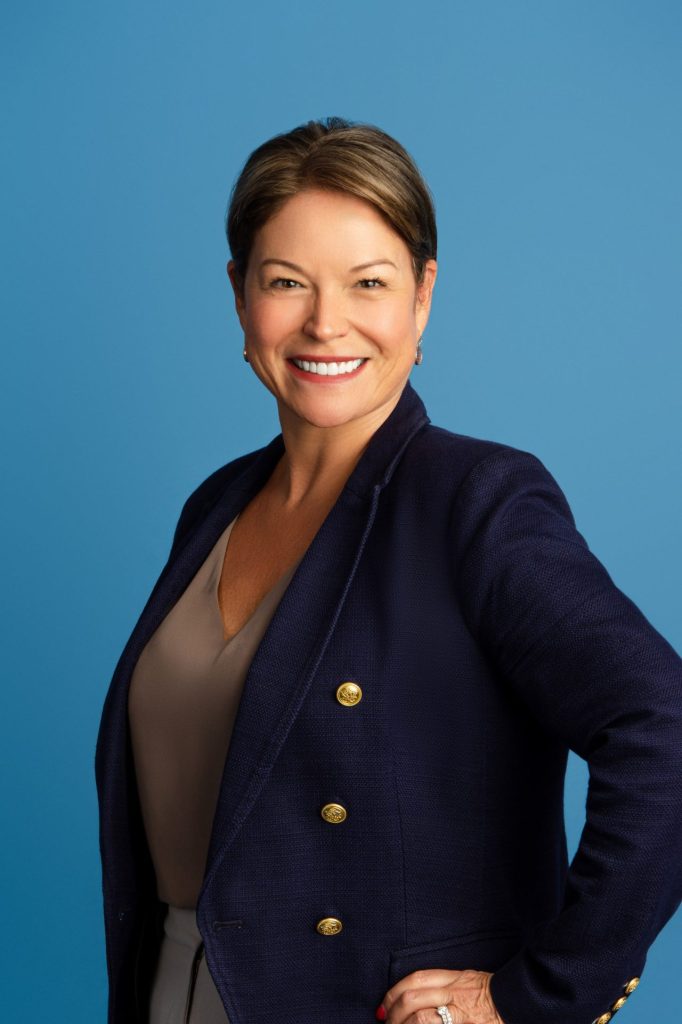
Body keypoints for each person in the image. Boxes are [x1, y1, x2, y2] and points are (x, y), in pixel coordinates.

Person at [95, 116, 682, 1024]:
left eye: (368, 282)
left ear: (423, 295)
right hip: (167, 991)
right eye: (286, 282)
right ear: (240, 296)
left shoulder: (476, 501)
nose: (325, 322)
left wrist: (544, 994)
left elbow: (664, 727)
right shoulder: (215, 505)